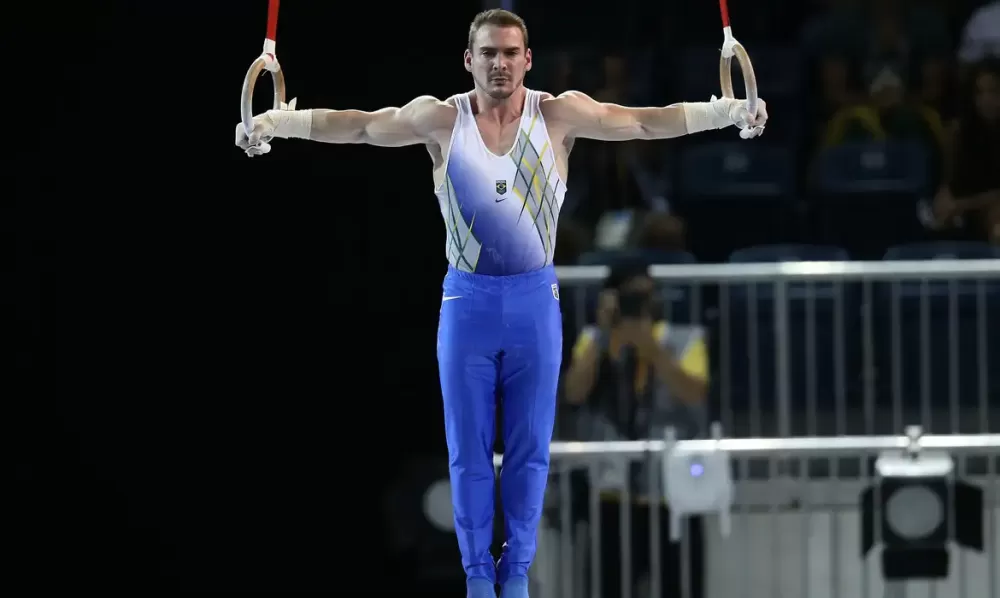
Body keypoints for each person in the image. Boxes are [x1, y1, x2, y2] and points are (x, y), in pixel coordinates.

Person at [235, 9, 767, 598]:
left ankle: (515, 573)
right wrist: (280, 124)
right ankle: (477, 576)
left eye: (511, 52)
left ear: (528, 59)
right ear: (469, 60)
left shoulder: (558, 115)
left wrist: (726, 111)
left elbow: (641, 124)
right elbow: (361, 127)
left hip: (535, 303)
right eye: (488, 53)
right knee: (467, 451)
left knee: (529, 451)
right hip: (467, 303)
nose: (500, 63)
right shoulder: (440, 120)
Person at [562, 260, 709, 598]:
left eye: (641, 295)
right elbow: (574, 392)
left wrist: (652, 348)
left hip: (672, 493)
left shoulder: (684, 339)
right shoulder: (593, 341)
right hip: (611, 494)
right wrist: (602, 335)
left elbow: (694, 395)